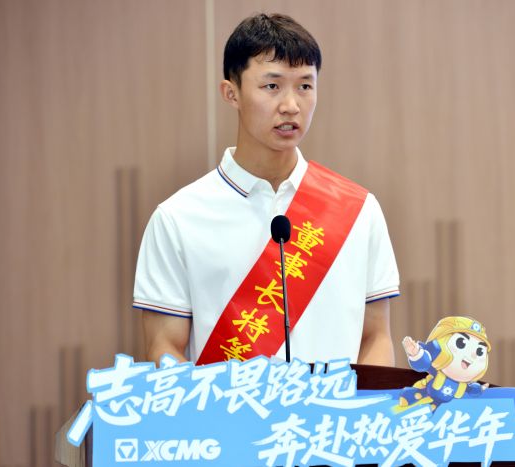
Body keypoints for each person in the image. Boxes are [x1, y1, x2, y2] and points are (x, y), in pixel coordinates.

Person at [133, 13, 400, 366]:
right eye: (272, 86)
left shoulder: (359, 210)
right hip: (229, 405)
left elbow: (376, 337)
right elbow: (163, 349)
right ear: (232, 93)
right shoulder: (177, 219)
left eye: (305, 86)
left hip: (335, 405)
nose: (291, 105)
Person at [398, 316, 491, 411]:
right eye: (461, 343)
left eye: (480, 351)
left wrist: (481, 389)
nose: (472, 355)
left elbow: (471, 389)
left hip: (445, 405)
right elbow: (423, 364)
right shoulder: (437, 370)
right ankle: (415, 395)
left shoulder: (463, 385)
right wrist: (416, 354)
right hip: (427, 392)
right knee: (414, 398)